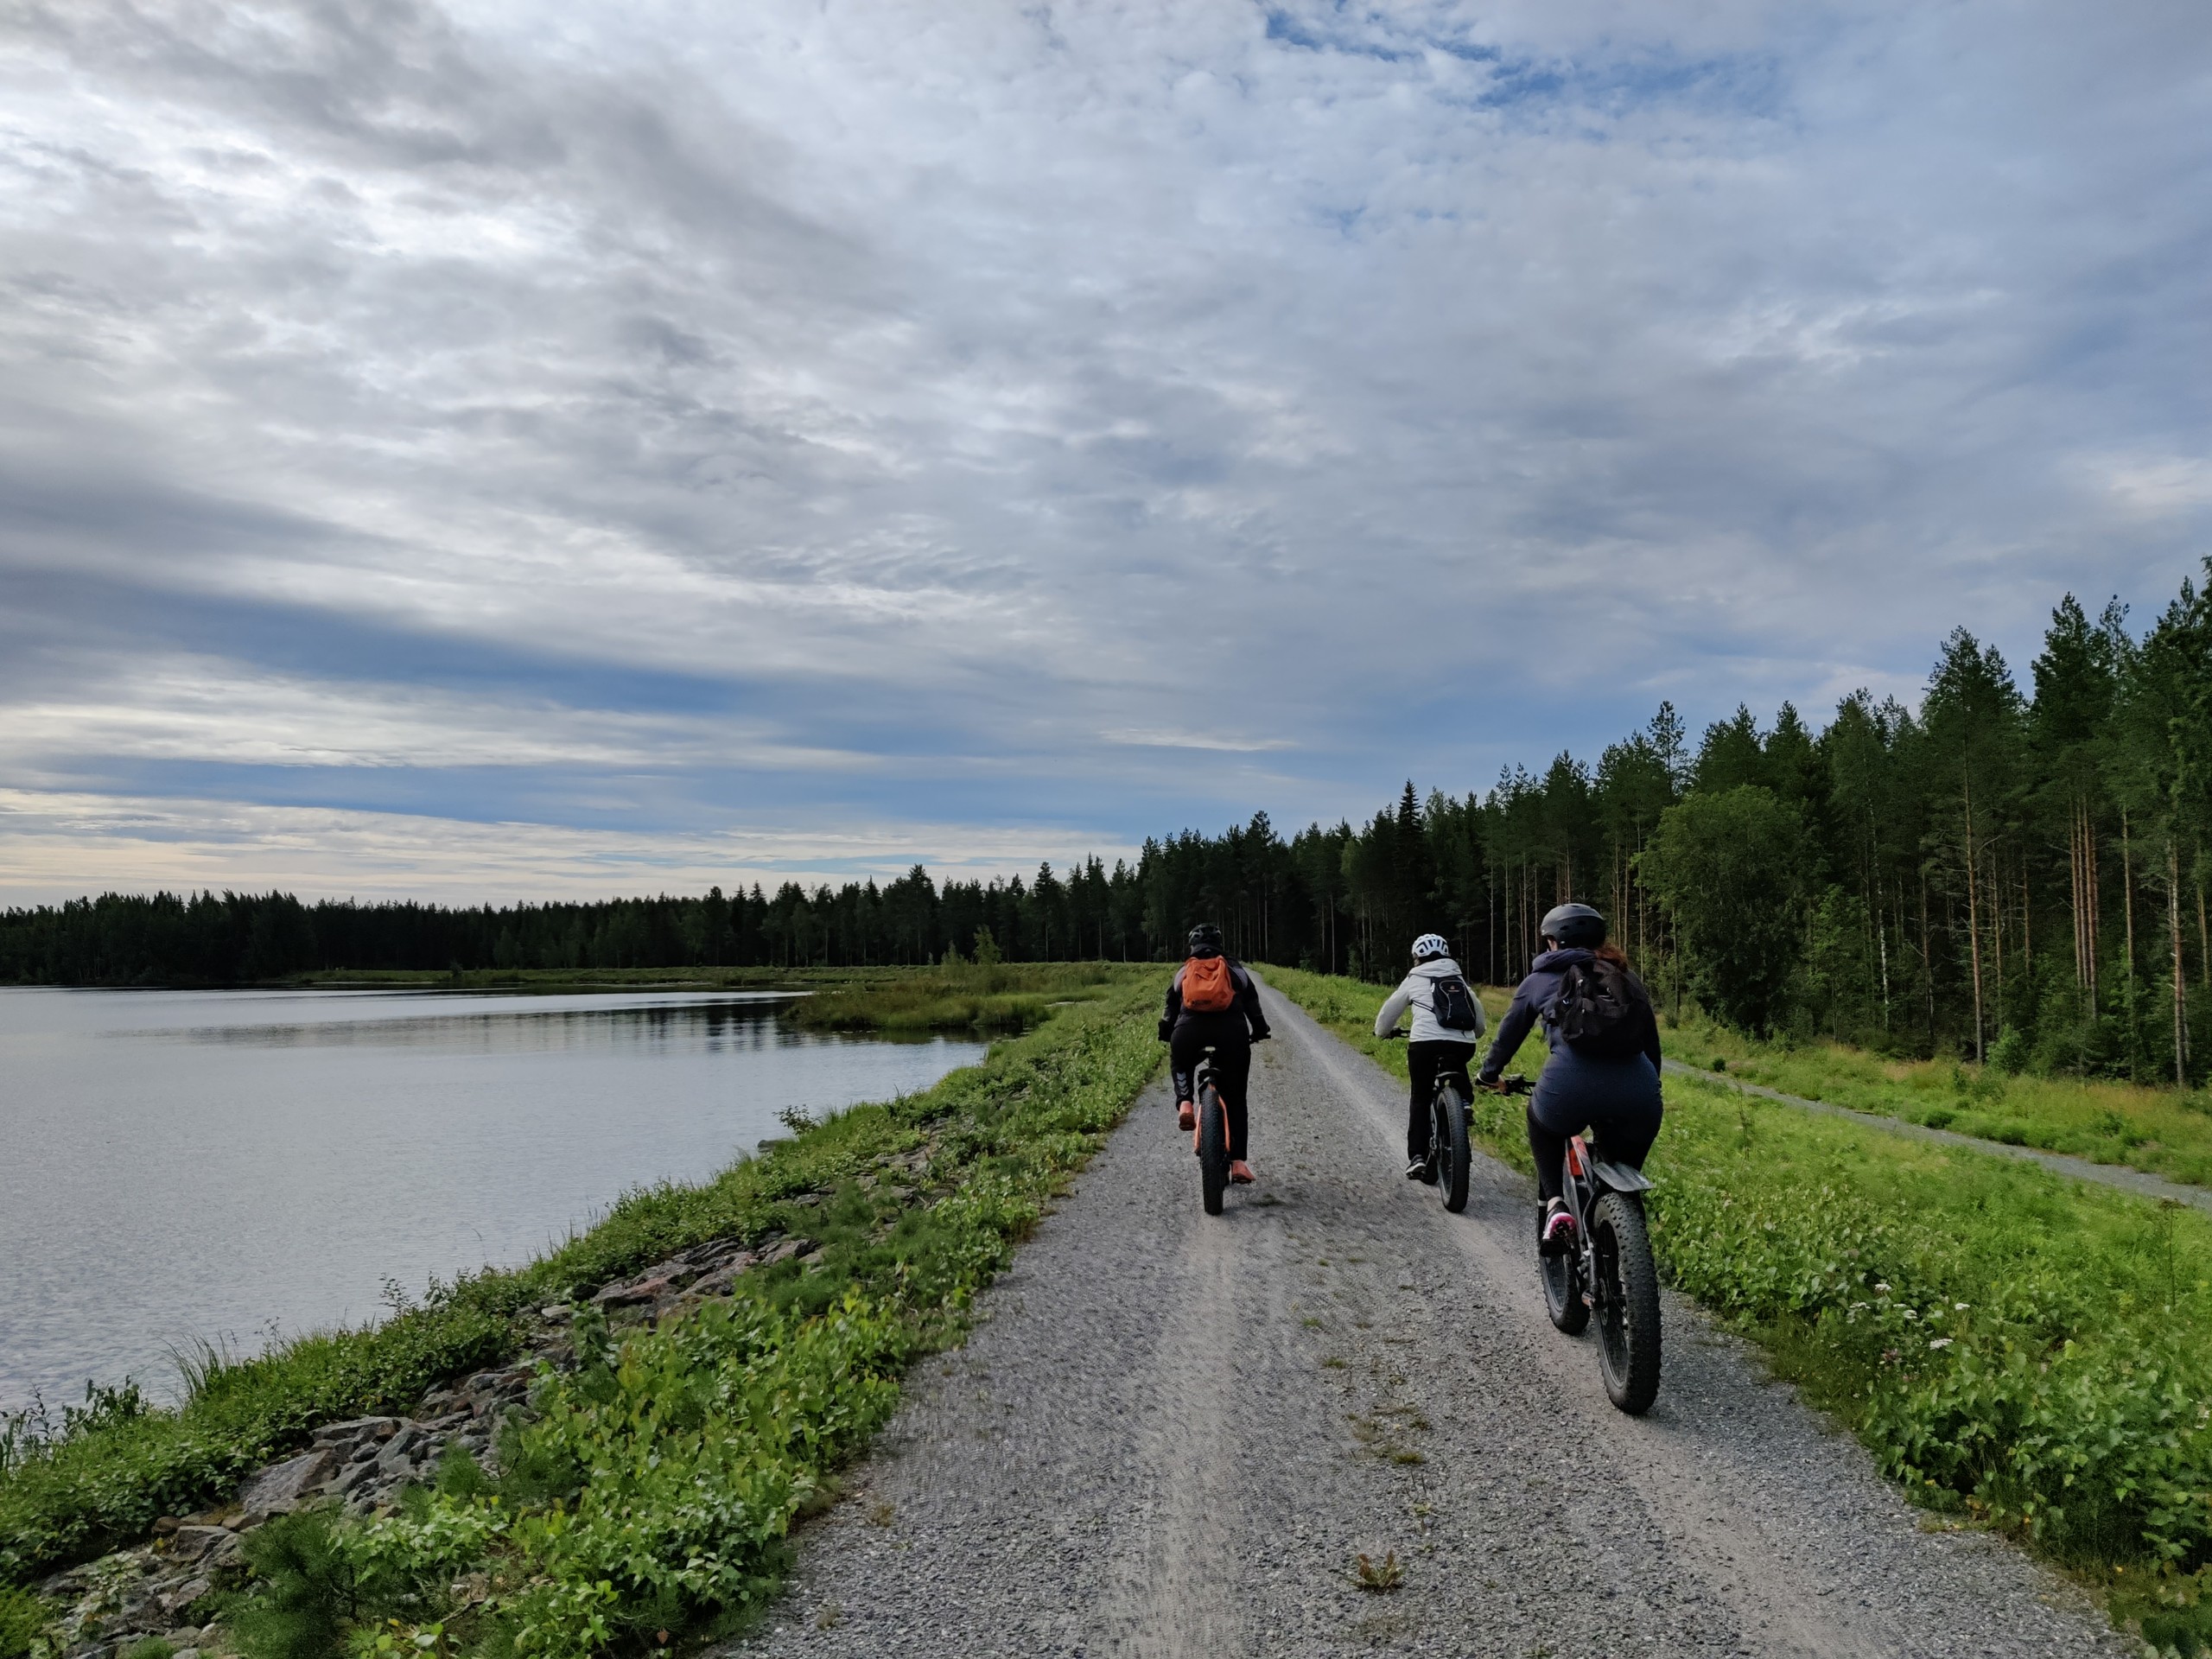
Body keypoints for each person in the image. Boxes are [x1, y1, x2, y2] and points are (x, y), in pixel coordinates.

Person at [1478, 903, 1662, 1255]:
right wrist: (1652, 1088)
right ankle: (1621, 1234)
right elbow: (1651, 1043)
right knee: (1619, 1174)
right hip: (1639, 1088)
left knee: (1540, 1120)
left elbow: (1508, 1036)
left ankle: (1557, 1204)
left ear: (1554, 943)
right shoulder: (1625, 978)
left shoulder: (1537, 981)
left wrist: (1489, 1075)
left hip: (1569, 1084)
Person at [1160, 922, 1271, 1184]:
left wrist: (1168, 1034)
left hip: (1190, 1031)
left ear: (1193, 946)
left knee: (1181, 1060)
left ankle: (1185, 1102)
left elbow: (1170, 1009)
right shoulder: (1233, 968)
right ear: (1220, 944)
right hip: (1231, 1033)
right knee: (1236, 1098)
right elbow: (1253, 1004)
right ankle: (1239, 1163)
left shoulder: (1184, 971)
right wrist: (1260, 1029)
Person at [1373, 931, 1487, 1181]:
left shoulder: (1414, 978)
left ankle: (1418, 1157)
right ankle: (1464, 1102)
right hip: (1463, 1045)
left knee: (1421, 1096)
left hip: (1424, 1045)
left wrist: (1382, 1032)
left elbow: (1387, 1014)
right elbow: (1479, 1027)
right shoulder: (1459, 979)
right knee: (1457, 1065)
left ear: (1417, 958)